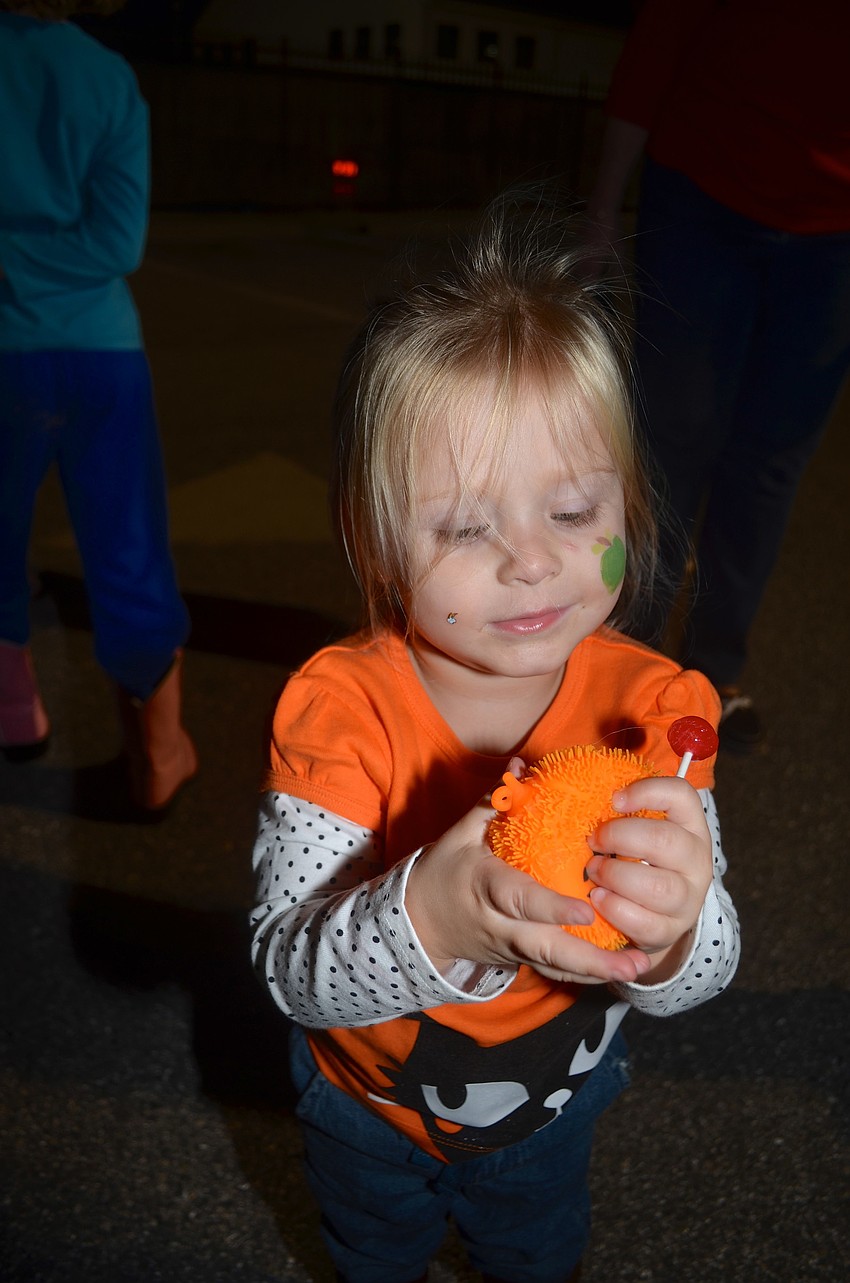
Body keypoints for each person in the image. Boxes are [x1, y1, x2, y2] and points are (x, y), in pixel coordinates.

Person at [250, 197, 740, 1283]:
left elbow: (703, 966)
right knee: (372, 1253)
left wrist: (669, 931)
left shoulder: (653, 711)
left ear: (629, 509)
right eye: (468, 526)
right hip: (367, 1108)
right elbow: (291, 969)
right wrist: (433, 912)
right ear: (374, 539)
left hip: (555, 1105)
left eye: (572, 509)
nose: (530, 561)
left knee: (538, 1248)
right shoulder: (340, 713)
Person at [584, 0, 850, 752]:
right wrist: (606, 203)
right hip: (702, 190)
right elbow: (661, 32)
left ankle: (712, 675)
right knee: (668, 442)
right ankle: (621, 666)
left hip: (837, 235)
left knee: (768, 463)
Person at [0, 0, 197, 811]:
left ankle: (16, 713)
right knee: (129, 554)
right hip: (103, 357)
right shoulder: (107, 77)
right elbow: (119, 242)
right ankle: (158, 756)